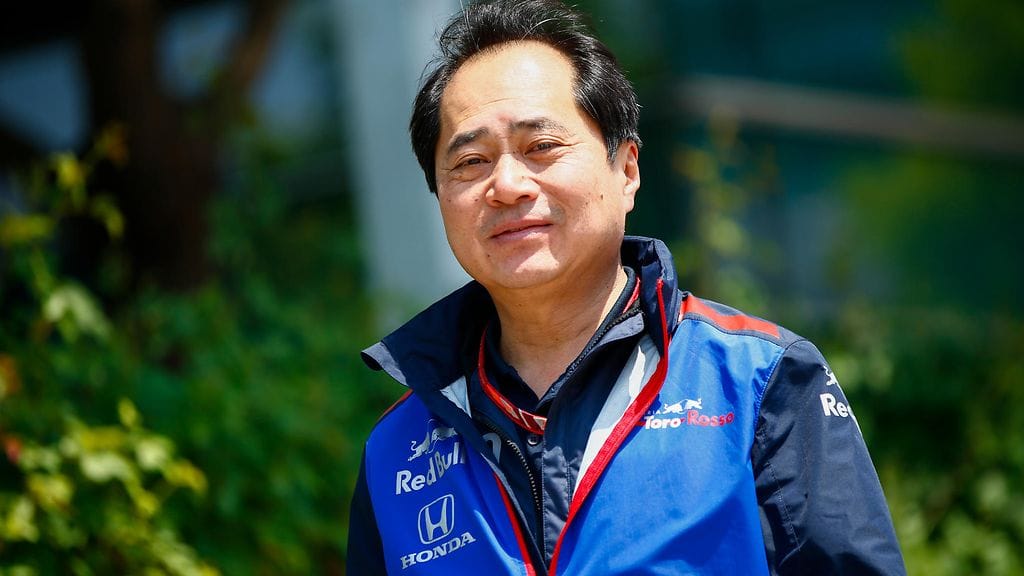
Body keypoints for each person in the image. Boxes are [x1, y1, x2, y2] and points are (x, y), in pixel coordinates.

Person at [346, 1, 906, 574]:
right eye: (470, 161)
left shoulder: (758, 382)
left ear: (628, 170)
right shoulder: (395, 451)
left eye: (541, 147)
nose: (507, 184)